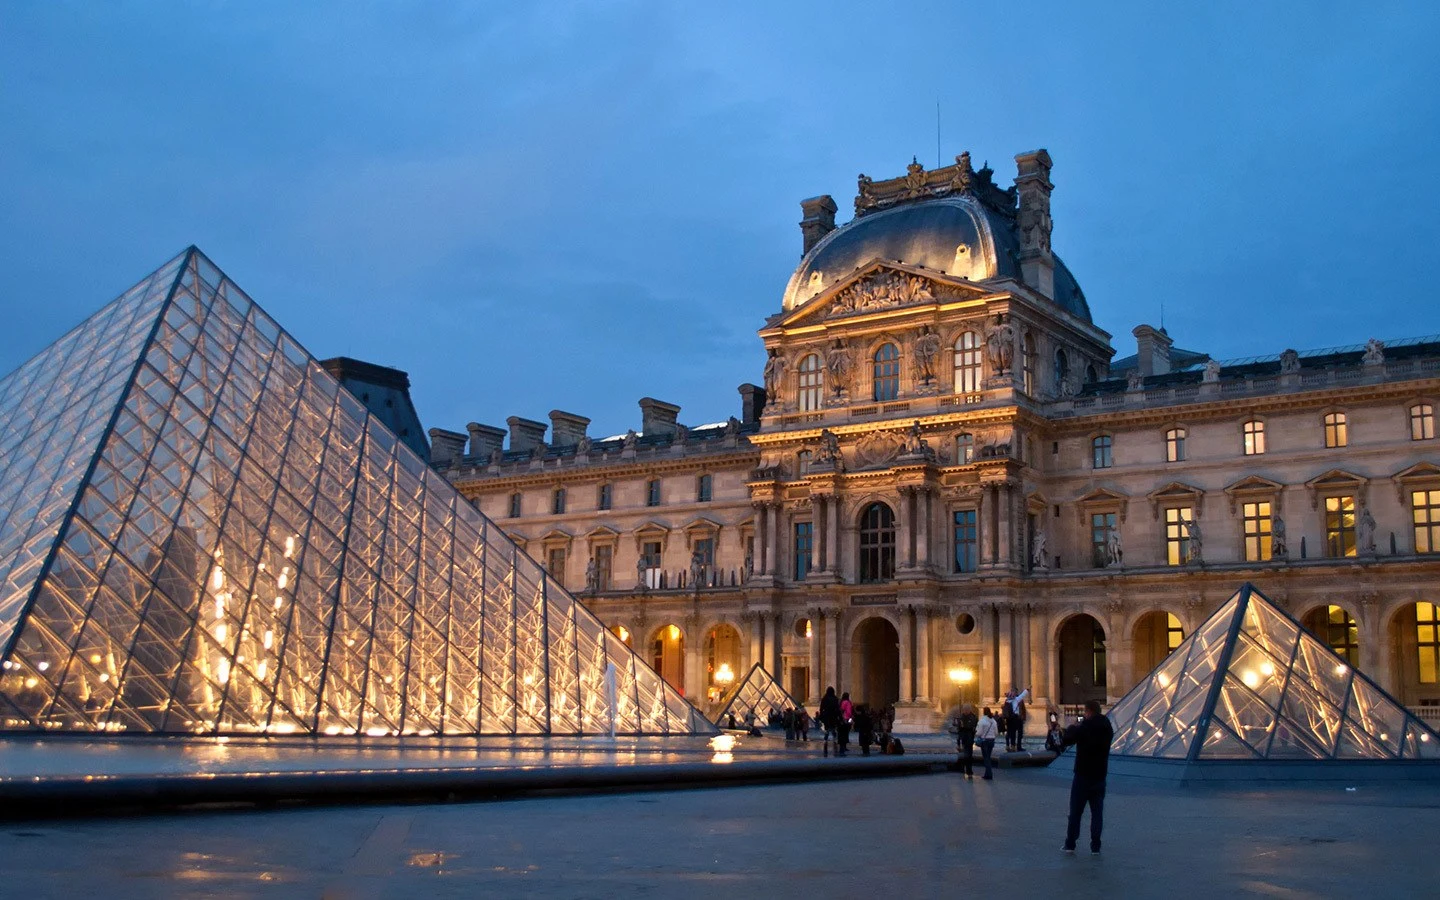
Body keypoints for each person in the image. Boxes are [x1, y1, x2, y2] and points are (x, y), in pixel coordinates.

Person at [1061, 699, 1115, 856]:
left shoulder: (1084, 727)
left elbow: (1067, 740)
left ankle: (1070, 844)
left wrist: (1072, 727)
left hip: (1083, 776)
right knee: (1097, 814)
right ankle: (1095, 846)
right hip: (1100, 776)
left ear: (1089, 711)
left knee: (1075, 813)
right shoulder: (1108, 728)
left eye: (1085, 712)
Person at [954, 703, 979, 781]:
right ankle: (966, 770)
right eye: (964, 710)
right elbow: (959, 728)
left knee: (968, 755)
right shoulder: (962, 717)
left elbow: (972, 726)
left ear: (969, 710)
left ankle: (969, 771)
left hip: (969, 738)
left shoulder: (972, 717)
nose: (965, 711)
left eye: (966, 710)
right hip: (964, 738)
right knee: (966, 755)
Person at [975, 707, 999, 780]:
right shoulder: (993, 721)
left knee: (986, 758)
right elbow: (996, 733)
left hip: (985, 741)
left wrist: (977, 734)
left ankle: (989, 774)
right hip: (991, 741)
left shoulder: (982, 721)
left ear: (983, 712)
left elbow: (979, 733)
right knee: (988, 757)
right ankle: (987, 774)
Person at [818, 687, 841, 756]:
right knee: (833, 729)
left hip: (827, 716)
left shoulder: (824, 699)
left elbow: (821, 708)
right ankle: (834, 740)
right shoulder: (835, 699)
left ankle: (825, 741)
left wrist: (821, 716)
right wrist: (839, 716)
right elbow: (837, 709)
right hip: (833, 716)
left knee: (827, 729)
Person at [1007, 687, 1029, 752]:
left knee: (1016, 733)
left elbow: (1023, 709)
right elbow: (1023, 695)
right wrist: (1027, 689)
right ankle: (1016, 746)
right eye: (1014, 691)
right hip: (1015, 718)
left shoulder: (1009, 699)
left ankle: (1014, 746)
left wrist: (1024, 717)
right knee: (1016, 733)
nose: (1015, 693)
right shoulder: (1016, 699)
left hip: (1014, 718)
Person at [838, 691, 854, 756]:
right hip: (847, 718)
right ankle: (844, 746)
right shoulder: (847, 702)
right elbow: (843, 710)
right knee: (846, 732)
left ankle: (844, 746)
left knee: (845, 732)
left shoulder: (843, 702)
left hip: (846, 718)